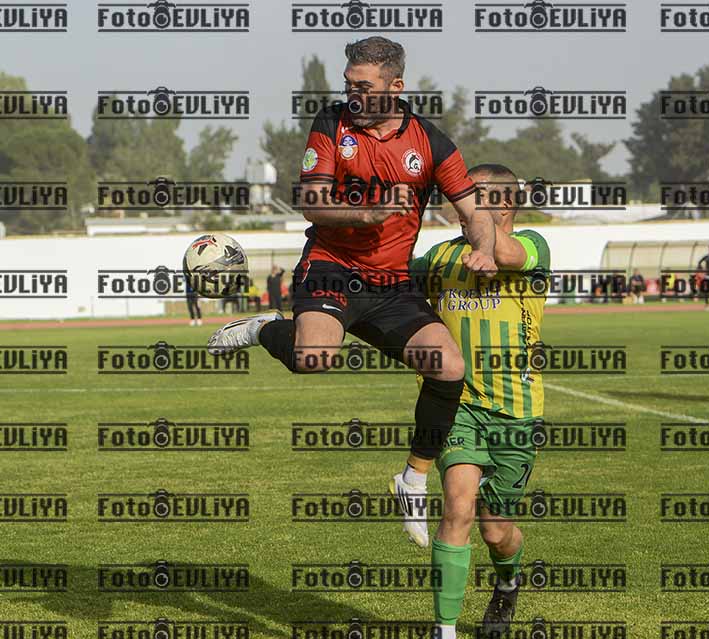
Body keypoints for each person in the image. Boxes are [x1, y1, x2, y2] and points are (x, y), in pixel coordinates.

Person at [206, 37, 497, 545]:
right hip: (332, 268)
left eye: (364, 86)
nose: (353, 95)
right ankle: (265, 329)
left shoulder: (431, 143)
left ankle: (412, 479)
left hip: (391, 285)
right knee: (313, 358)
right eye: (348, 84)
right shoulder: (331, 123)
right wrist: (368, 213)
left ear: (396, 87)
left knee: (449, 366)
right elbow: (312, 203)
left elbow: (474, 213)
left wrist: (486, 249)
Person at [411, 164, 549, 638]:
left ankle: (507, 583)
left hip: (516, 412)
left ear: (505, 203)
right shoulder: (439, 257)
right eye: (459, 195)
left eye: (473, 196)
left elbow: (508, 253)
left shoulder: (533, 246)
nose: (460, 203)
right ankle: (444, 629)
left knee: (496, 530)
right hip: (458, 407)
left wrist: (488, 247)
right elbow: (385, 280)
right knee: (457, 507)